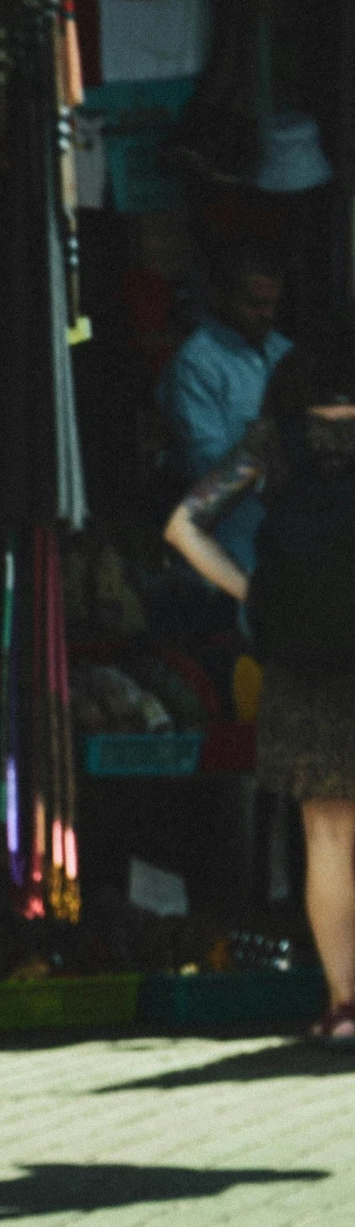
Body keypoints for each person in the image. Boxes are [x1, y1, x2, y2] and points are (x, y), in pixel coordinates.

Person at [165, 316, 355, 1046]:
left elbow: (185, 525)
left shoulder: (275, 442)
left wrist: (256, 595)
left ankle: (344, 1006)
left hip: (301, 664)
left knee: (330, 835)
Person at [155, 241, 292, 573]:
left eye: (273, 304)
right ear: (220, 297)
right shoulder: (197, 365)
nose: (268, 315)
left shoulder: (282, 351)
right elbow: (206, 477)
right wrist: (264, 450)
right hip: (231, 553)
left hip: (287, 546)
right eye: (256, 304)